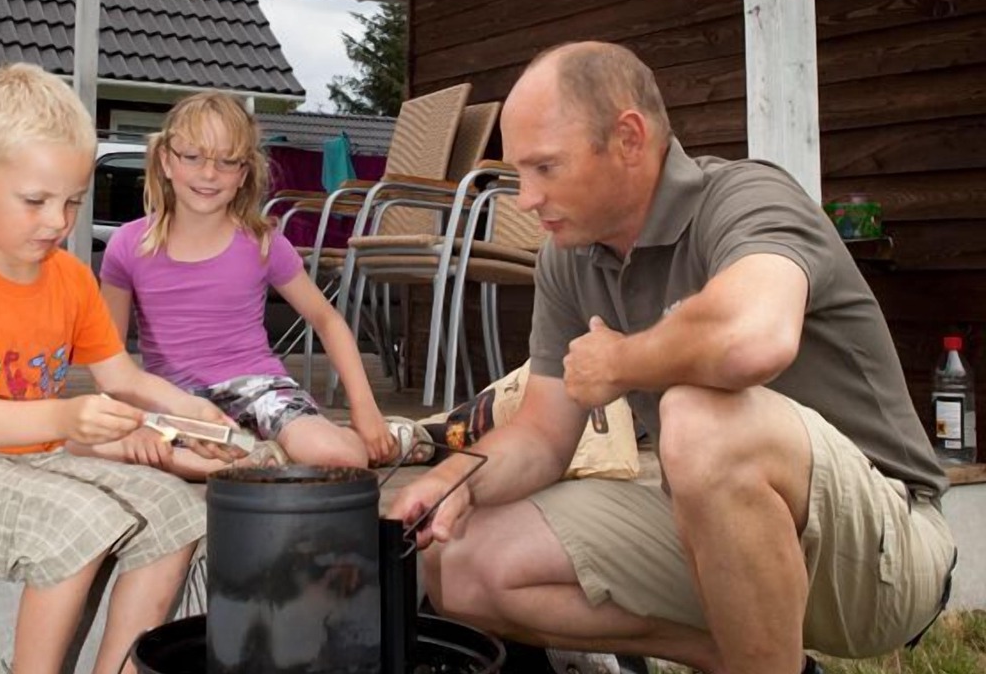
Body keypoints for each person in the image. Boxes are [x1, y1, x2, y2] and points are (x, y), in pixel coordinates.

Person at [389, 42, 956, 674]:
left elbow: (754, 337)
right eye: (520, 171)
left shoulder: (749, 198)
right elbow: (544, 436)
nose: (525, 198)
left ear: (629, 138)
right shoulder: (568, 257)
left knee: (700, 417)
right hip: (723, 533)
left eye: (545, 167)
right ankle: (742, 659)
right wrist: (451, 478)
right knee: (458, 562)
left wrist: (621, 363)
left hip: (885, 549)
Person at [0, 63, 220, 674]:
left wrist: (191, 411)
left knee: (178, 511)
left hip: (33, 459)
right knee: (83, 521)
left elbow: (124, 376)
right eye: (35, 201)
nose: (59, 222)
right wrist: (66, 415)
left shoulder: (70, 278)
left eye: (72, 202)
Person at [99, 91, 403, 478]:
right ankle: (259, 456)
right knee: (124, 449)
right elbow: (109, 357)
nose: (209, 175)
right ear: (165, 161)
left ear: (243, 173)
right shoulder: (127, 245)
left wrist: (365, 408)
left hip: (259, 388)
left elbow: (327, 320)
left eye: (227, 162)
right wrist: (134, 420)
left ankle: (381, 435)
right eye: (192, 157)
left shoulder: (261, 242)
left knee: (341, 458)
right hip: (174, 401)